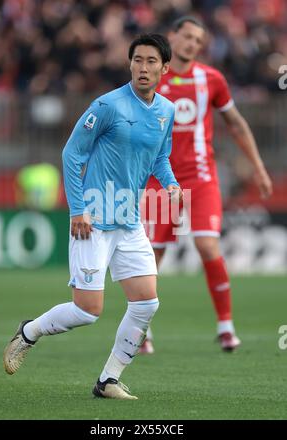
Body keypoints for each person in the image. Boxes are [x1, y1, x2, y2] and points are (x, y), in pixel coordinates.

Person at [3, 34, 182, 400]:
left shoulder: (166, 110)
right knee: (88, 311)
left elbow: (160, 158)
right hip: (94, 219)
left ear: (165, 68)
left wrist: (171, 184)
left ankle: (108, 381)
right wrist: (78, 209)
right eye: (137, 60)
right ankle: (28, 332)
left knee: (147, 302)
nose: (143, 68)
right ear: (129, 63)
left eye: (151, 61)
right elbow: (72, 154)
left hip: (129, 220)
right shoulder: (108, 105)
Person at [140, 17, 273, 354]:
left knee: (208, 247)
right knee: (152, 254)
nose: (191, 44)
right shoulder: (151, 78)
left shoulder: (211, 79)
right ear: (172, 37)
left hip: (201, 178)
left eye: (198, 40)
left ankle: (226, 327)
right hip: (160, 180)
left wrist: (258, 168)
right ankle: (142, 330)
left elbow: (237, 125)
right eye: (186, 36)